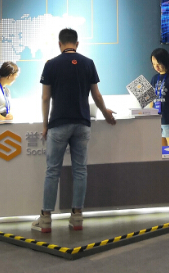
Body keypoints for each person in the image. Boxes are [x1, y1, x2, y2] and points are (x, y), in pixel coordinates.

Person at [33, 28, 116, 234]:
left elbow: (45, 98)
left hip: (59, 123)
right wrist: (105, 113)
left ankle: (45, 219)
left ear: (59, 44)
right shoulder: (88, 63)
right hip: (82, 123)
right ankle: (77, 216)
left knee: (53, 171)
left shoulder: (51, 65)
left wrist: (45, 124)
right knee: (80, 170)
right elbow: (96, 95)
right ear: (77, 44)